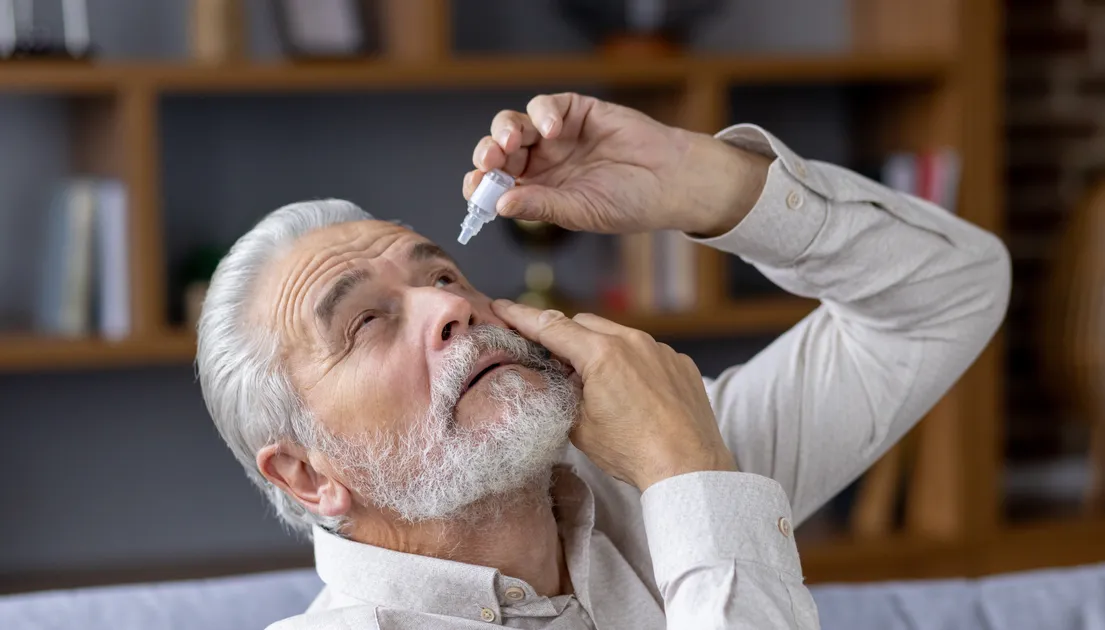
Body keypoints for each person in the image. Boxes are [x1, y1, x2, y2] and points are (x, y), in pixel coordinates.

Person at [196, 92, 1010, 629]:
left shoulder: (650, 480)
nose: (451, 306)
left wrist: (703, 186)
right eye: (368, 321)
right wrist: (689, 475)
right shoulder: (681, 470)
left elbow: (949, 288)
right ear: (306, 475)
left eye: (443, 274)